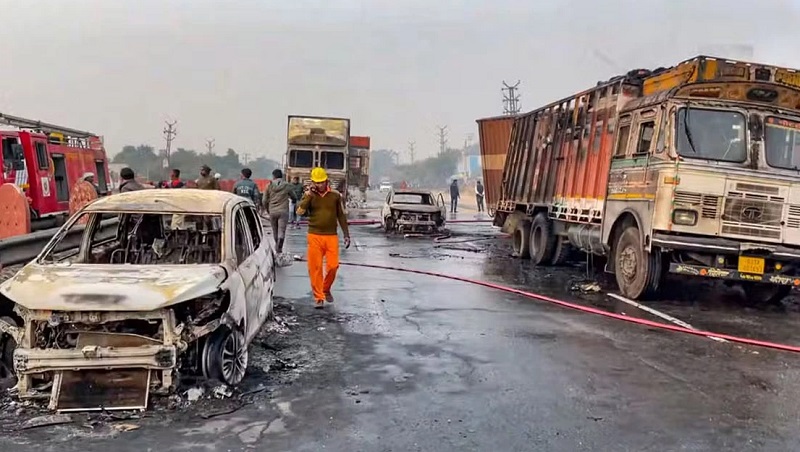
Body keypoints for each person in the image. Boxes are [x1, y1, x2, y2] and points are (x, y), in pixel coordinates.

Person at [296, 167, 351, 309]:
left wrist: (346, 234)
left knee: (333, 266)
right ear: (313, 183)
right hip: (314, 235)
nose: (319, 185)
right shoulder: (309, 196)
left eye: (321, 182)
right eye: (317, 183)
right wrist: (307, 196)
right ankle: (319, 297)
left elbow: (341, 215)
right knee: (316, 268)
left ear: (326, 180)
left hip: (331, 236)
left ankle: (326, 289)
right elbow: (300, 212)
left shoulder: (335, 195)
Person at [262, 169, 292, 253]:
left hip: (272, 211)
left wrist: (267, 209)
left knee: (274, 230)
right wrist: (293, 200)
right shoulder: (287, 185)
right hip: (283, 211)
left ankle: (277, 246)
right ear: (282, 176)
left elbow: (264, 200)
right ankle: (280, 242)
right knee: (281, 230)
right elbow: (294, 196)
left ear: (273, 176)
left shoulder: (269, 186)